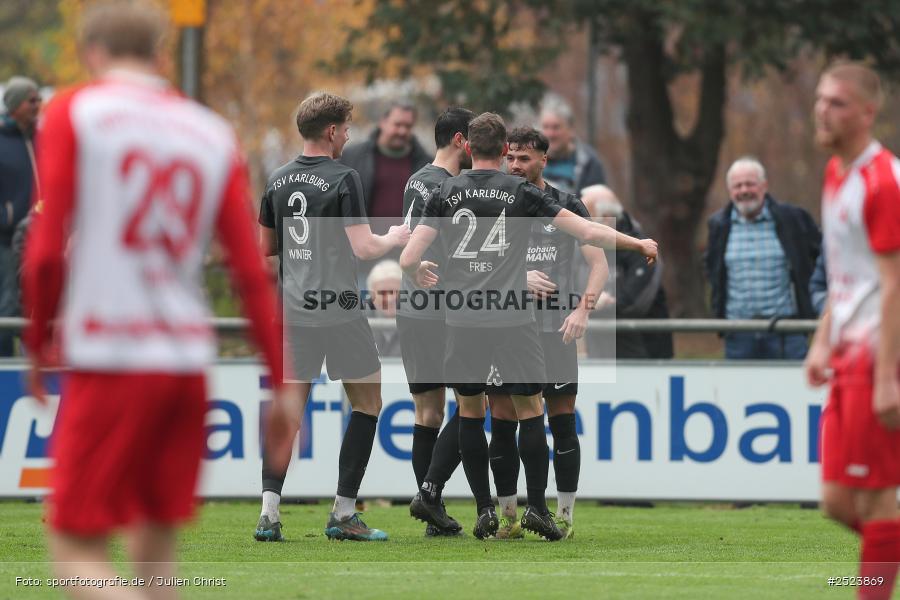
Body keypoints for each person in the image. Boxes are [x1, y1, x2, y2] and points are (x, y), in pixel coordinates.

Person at [22, 3, 293, 598]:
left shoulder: (76, 110)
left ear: (92, 52)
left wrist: (39, 343)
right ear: (160, 53)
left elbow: (44, 253)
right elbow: (250, 271)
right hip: (185, 362)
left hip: (111, 353)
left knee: (75, 552)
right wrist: (279, 381)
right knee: (156, 561)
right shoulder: (209, 131)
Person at [401, 112, 656, 540]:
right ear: (504, 150)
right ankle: (537, 507)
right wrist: (637, 243)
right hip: (512, 319)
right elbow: (587, 232)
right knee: (532, 410)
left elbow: (409, 256)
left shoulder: (445, 191)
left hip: (462, 320)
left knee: (470, 413)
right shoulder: (519, 191)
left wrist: (416, 272)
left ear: (468, 148)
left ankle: (485, 510)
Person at [255, 91, 410, 543]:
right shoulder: (344, 177)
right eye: (345, 128)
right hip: (339, 311)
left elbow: (264, 248)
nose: (347, 136)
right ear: (330, 131)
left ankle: (268, 514)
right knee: (367, 403)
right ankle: (343, 513)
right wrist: (393, 236)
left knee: (288, 414)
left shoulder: (278, 179)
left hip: (293, 313)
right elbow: (364, 247)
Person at [805, 62, 900, 600]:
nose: (823, 110)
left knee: (877, 500)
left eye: (837, 102)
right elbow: (847, 278)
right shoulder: (837, 173)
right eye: (821, 99)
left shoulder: (881, 181)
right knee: (837, 503)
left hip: (877, 357)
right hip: (847, 356)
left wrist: (887, 376)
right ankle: (883, 565)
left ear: (868, 112)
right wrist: (823, 341)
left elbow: (894, 284)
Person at [486, 127, 609, 540]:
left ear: (543, 160)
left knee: (562, 421)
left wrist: (583, 311)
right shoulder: (495, 204)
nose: (515, 165)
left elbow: (599, 265)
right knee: (503, 420)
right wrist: (517, 278)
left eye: (524, 158)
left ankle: (565, 516)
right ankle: (509, 517)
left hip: (555, 329)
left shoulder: (567, 205)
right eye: (510, 158)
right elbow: (473, 266)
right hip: (504, 327)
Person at [397, 107, 475, 537]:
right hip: (445, 308)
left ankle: (432, 511)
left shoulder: (416, 179)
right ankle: (430, 492)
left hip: (411, 309)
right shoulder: (451, 188)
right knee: (473, 405)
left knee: (427, 411)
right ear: (461, 140)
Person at [705, 156, 821, 359]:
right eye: (737, 186)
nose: (744, 190)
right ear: (730, 190)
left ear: (764, 186)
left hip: (787, 332)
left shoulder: (792, 219)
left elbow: (820, 259)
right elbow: (712, 269)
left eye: (750, 184)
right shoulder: (718, 225)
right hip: (738, 334)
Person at [581, 185, 674, 359]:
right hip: (600, 353)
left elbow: (635, 303)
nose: (582, 225)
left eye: (587, 218)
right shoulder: (585, 246)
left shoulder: (643, 248)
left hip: (645, 353)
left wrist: (598, 304)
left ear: (606, 218)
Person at [339, 100, 431, 230]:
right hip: (366, 240)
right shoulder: (352, 157)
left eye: (408, 126)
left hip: (409, 241)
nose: (402, 131)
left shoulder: (425, 164)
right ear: (383, 122)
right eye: (397, 124)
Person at [0, 75, 41, 356]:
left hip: (39, 236)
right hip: (4, 240)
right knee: (7, 303)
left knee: (37, 302)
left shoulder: (43, 138)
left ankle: (34, 361)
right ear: (15, 105)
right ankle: (3, 365)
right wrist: (6, 216)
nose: (38, 105)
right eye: (31, 100)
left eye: (39, 99)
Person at [539, 94, 606, 195]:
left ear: (571, 130)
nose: (550, 134)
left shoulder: (589, 163)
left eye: (556, 127)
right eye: (546, 127)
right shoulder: (530, 159)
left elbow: (597, 198)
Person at [366, 258, 402, 357]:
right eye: (382, 293)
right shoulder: (358, 323)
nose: (389, 299)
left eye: (395, 292)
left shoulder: (419, 323)